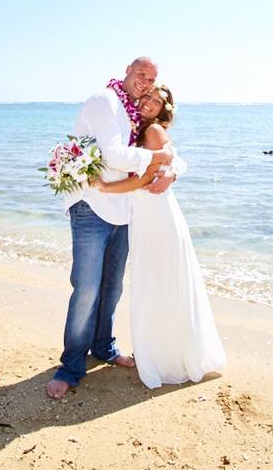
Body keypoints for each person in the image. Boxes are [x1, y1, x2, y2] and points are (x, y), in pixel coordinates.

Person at [45, 57, 182, 400]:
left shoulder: (137, 113)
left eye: (151, 78)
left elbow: (169, 149)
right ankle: (71, 366)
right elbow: (114, 155)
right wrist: (158, 161)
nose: (145, 82)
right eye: (141, 74)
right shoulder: (105, 101)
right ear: (126, 71)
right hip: (92, 206)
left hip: (124, 210)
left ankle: (104, 347)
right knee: (87, 289)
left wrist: (172, 168)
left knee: (112, 287)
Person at [93, 84, 226, 389]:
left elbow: (144, 179)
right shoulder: (134, 130)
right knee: (155, 283)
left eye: (157, 101)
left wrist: (104, 187)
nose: (150, 103)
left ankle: (168, 359)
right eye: (148, 97)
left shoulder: (152, 131)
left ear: (164, 110)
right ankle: (160, 351)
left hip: (158, 216)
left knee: (160, 283)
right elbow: (171, 160)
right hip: (145, 217)